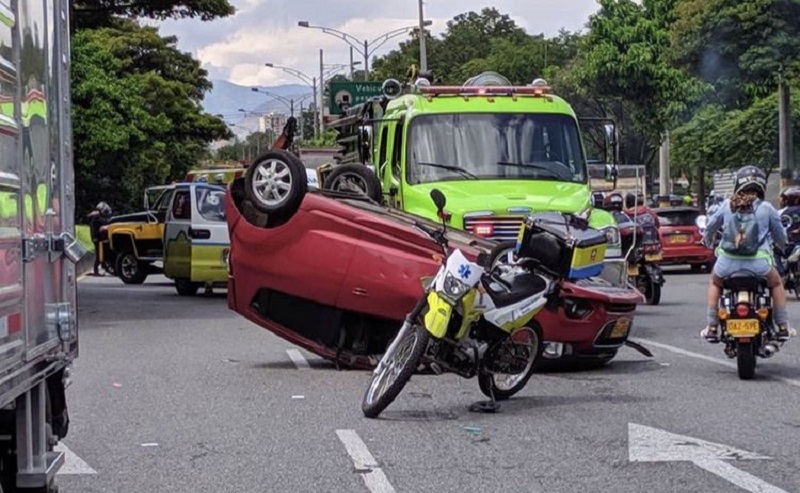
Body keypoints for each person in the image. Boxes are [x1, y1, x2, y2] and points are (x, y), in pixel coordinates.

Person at [700, 166, 793, 342]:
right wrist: (783, 245)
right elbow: (780, 235)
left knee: (715, 282)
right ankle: (782, 325)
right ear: (761, 187)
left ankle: (712, 326)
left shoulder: (727, 205)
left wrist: (707, 240)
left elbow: (711, 227)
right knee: (776, 283)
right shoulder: (766, 208)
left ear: (738, 185)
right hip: (759, 265)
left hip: (727, 264)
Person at [88, 201, 112, 276]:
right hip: (97, 238)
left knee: (103, 253)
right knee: (99, 254)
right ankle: (96, 271)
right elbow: (105, 222)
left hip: (98, 238)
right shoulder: (97, 217)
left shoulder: (96, 216)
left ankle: (105, 267)